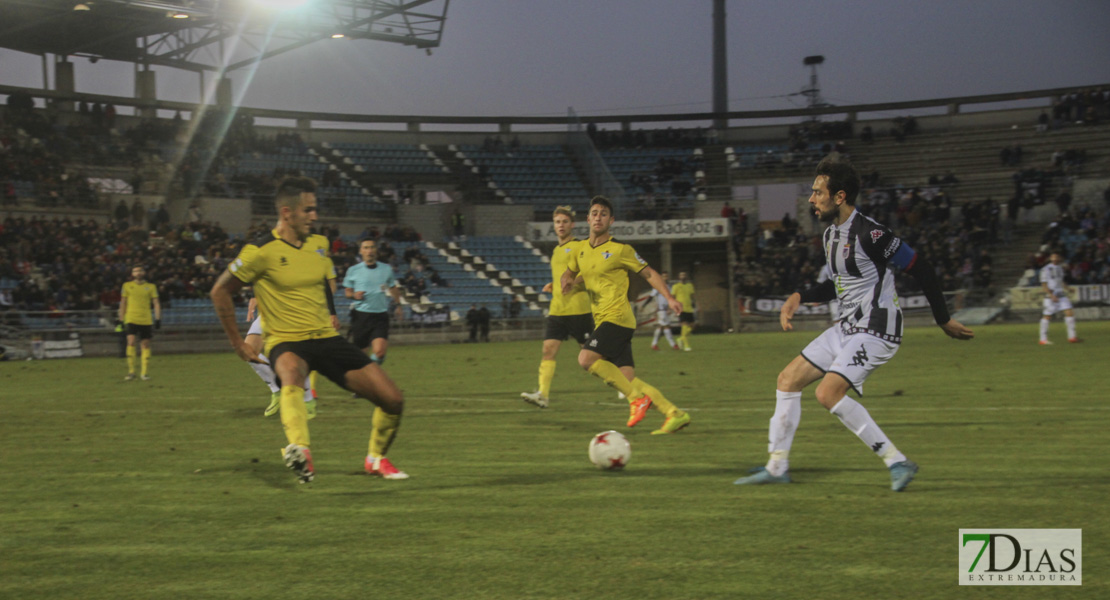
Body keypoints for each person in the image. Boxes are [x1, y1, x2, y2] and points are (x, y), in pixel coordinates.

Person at [734, 157, 974, 491]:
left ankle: (896, 460)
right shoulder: (831, 235)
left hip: (878, 329)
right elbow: (840, 283)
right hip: (847, 327)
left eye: (818, 193)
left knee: (827, 393)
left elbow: (921, 267)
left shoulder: (872, 233)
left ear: (840, 196)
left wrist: (943, 319)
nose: (811, 199)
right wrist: (799, 295)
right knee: (787, 379)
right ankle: (776, 466)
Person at [210, 176, 408, 484]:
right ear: (287, 213)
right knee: (291, 374)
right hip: (287, 340)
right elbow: (219, 291)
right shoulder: (260, 250)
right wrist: (238, 343)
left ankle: (376, 459)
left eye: (315, 209)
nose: (315, 216)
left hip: (326, 339)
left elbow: (323, 284)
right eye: (308, 210)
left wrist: (330, 313)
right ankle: (300, 451)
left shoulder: (319, 245)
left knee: (393, 399)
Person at [560, 196, 691, 434]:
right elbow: (572, 274)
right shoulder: (579, 250)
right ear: (588, 219)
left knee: (586, 359)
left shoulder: (621, 250)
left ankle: (636, 400)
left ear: (611, 220)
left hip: (618, 318)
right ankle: (675, 414)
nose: (598, 217)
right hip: (602, 320)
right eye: (594, 213)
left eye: (603, 214)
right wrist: (565, 282)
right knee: (627, 379)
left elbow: (649, 273)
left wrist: (670, 298)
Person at [521, 206, 594, 408]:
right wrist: (553, 285)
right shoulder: (556, 250)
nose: (561, 225)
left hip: (579, 310)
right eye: (557, 222)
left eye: (564, 222)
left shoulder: (580, 247)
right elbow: (563, 277)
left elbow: (591, 274)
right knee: (548, 350)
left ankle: (624, 384)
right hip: (557, 310)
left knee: (591, 360)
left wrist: (574, 282)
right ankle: (543, 395)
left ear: (572, 224)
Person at [344, 238, 404, 365]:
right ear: (361, 251)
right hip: (361, 316)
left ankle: (372, 374)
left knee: (380, 352)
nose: (369, 250)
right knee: (361, 356)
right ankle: (368, 377)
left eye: (372, 247)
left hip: (380, 316)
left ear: (376, 250)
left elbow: (393, 287)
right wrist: (354, 295)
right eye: (366, 248)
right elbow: (347, 292)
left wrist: (398, 305)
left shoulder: (386, 269)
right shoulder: (353, 270)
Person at [119, 265, 161, 381]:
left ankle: (144, 373)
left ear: (144, 273)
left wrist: (158, 319)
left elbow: (156, 303)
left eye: (140, 271)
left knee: (145, 345)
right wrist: (121, 319)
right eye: (135, 271)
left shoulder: (151, 287)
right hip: (131, 318)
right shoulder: (127, 286)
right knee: (131, 342)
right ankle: (131, 371)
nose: (138, 273)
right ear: (132, 274)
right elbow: (123, 303)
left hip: (146, 320)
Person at [1038, 251, 1080, 345]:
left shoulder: (1060, 268)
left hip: (1061, 295)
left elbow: (1061, 281)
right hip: (1051, 296)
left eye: (1057, 257)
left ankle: (1072, 337)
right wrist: (1051, 295)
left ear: (1059, 258)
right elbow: (1044, 284)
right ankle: (1043, 339)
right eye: (1053, 257)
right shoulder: (1046, 269)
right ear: (1050, 258)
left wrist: (1068, 289)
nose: (1055, 259)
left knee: (1069, 313)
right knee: (1047, 316)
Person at [649, 271, 680, 351]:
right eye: (664, 276)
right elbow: (651, 296)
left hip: (666, 310)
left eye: (666, 276)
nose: (665, 278)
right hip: (661, 310)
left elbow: (670, 298)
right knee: (666, 326)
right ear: (661, 277)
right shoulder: (658, 286)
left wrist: (670, 308)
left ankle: (654, 344)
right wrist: (644, 305)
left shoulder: (669, 287)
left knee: (661, 327)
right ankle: (673, 345)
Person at [671, 271, 696, 351]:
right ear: (679, 276)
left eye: (684, 274)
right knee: (684, 325)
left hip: (689, 309)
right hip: (681, 308)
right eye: (681, 275)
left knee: (692, 326)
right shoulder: (676, 286)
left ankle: (681, 339)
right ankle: (686, 345)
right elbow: (673, 297)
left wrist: (696, 304)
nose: (683, 276)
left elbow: (692, 296)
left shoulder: (690, 286)